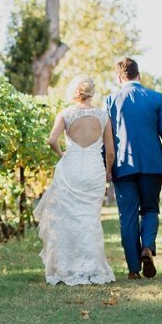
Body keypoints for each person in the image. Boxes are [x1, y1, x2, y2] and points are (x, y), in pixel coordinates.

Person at [105, 57, 162, 280]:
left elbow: (107, 140)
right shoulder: (155, 98)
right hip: (151, 166)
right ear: (138, 75)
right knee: (150, 209)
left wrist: (106, 166)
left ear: (119, 78)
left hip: (123, 167)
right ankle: (147, 247)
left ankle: (133, 270)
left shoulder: (110, 101)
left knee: (128, 217)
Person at [33, 76, 116, 285]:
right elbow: (111, 152)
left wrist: (62, 154)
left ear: (75, 92)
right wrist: (108, 170)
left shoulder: (65, 114)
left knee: (67, 218)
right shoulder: (103, 116)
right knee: (90, 219)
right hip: (93, 169)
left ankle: (67, 267)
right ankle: (93, 268)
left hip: (70, 168)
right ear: (92, 92)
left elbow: (52, 140)